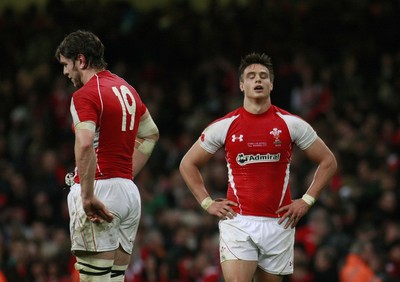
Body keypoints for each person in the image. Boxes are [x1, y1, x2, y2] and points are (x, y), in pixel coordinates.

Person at [179, 52, 337, 282]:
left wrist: (307, 200)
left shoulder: (291, 124)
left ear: (271, 84)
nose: (258, 80)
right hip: (239, 221)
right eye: (251, 76)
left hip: (280, 223)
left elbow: (328, 161)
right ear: (242, 85)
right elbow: (188, 164)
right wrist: (207, 203)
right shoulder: (225, 126)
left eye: (263, 76)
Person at [55, 30, 159, 282]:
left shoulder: (85, 95)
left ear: (81, 60)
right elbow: (151, 134)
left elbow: (85, 143)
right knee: (114, 279)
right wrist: (125, 174)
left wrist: (88, 195)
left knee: (94, 279)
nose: (66, 73)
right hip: (127, 193)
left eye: (66, 65)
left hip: (100, 192)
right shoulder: (128, 90)